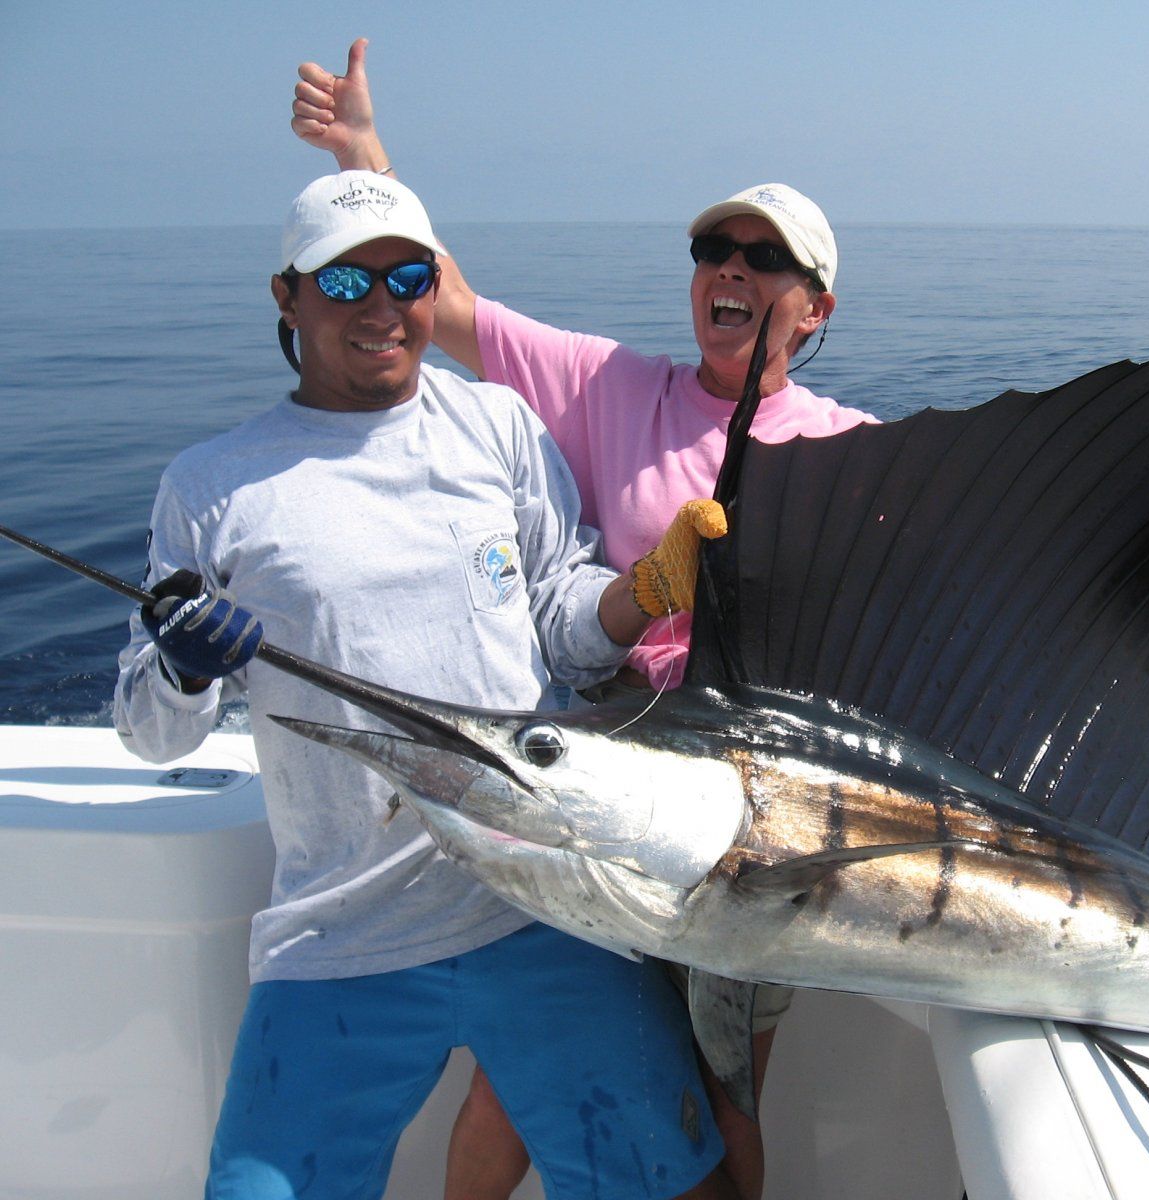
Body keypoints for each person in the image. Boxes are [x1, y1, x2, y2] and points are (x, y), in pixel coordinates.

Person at [292, 40, 876, 1200]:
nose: (732, 268)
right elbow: (444, 304)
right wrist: (363, 150)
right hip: (604, 767)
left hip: (759, 806)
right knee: (520, 1079)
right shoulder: (614, 384)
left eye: (766, 260)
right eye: (716, 248)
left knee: (721, 1085)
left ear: (813, 309)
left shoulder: (859, 454)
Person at [113, 168, 737, 1200]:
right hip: (340, 933)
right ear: (287, 297)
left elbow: (559, 629)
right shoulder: (211, 486)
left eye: (405, 277)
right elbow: (151, 735)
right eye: (344, 284)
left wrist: (639, 595)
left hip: (539, 903)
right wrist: (182, 669)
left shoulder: (496, 427)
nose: (381, 307)